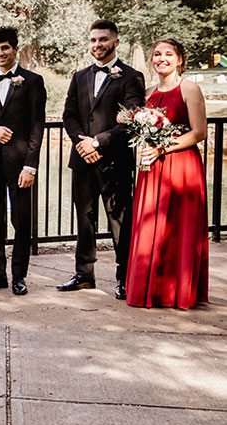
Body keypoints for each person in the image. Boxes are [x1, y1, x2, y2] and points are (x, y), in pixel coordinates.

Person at [59, 19, 145, 298]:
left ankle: (124, 278)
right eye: (94, 40)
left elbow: (131, 120)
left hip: (115, 161)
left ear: (115, 42)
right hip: (82, 159)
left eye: (103, 40)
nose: (98, 45)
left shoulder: (131, 77)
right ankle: (84, 275)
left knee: (119, 221)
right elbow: (68, 115)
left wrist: (98, 141)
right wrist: (82, 143)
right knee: (85, 219)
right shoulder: (80, 75)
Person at [126, 39, 209, 309]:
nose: (162, 58)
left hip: (182, 168)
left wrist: (162, 147)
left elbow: (199, 132)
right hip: (152, 168)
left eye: (168, 54)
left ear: (180, 59)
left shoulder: (190, 89)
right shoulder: (148, 92)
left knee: (179, 227)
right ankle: (151, 289)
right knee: (152, 227)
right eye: (157, 54)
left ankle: (178, 292)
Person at [0, 27, 46, 296]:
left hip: (20, 165)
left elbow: (37, 127)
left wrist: (31, 165)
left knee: (21, 220)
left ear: (15, 49)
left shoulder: (32, 81)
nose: (0, 53)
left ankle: (19, 276)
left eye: (5, 48)